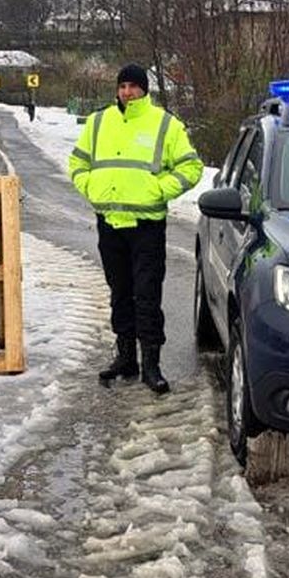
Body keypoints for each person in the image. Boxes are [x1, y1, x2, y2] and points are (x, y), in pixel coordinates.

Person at [67, 64, 204, 394]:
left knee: (147, 295)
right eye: (122, 85)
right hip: (110, 223)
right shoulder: (99, 121)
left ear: (145, 89)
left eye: (133, 86)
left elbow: (192, 167)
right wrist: (91, 187)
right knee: (120, 293)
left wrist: (159, 190)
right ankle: (126, 356)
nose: (127, 92)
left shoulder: (165, 125)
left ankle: (151, 364)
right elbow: (77, 163)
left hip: (147, 226)